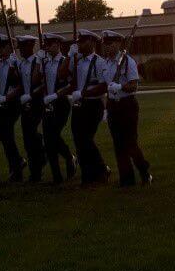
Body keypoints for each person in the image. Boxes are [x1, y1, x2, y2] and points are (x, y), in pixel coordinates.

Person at [102, 30, 152, 186]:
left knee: (130, 143)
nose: (106, 47)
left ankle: (144, 170)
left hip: (127, 106)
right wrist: (106, 108)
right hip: (113, 106)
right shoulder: (106, 63)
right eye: (105, 44)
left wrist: (120, 86)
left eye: (109, 44)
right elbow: (107, 88)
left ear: (117, 44)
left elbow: (133, 86)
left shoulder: (127, 61)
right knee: (118, 144)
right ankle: (127, 179)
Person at [70, 29, 111, 186]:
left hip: (93, 104)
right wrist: (71, 57)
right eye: (79, 41)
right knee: (78, 141)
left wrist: (84, 93)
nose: (79, 44)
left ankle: (101, 169)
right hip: (79, 104)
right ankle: (87, 175)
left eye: (83, 41)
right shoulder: (77, 61)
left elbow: (103, 86)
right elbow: (67, 78)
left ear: (92, 43)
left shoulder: (99, 62)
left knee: (86, 139)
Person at [39, 33, 76, 184]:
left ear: (58, 45)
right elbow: (39, 81)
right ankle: (57, 176)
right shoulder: (45, 62)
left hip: (61, 103)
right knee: (48, 139)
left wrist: (55, 95)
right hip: (47, 103)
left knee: (52, 136)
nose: (47, 47)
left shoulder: (64, 61)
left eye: (50, 44)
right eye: (46, 44)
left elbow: (71, 84)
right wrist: (38, 62)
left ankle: (69, 157)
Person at [0, 33, 27, 182]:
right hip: (1, 102)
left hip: (13, 102)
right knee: (2, 133)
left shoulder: (16, 64)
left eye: (1, 46)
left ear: (9, 47)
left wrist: (7, 97)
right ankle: (16, 163)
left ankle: (16, 167)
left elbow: (21, 86)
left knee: (5, 132)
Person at [16, 35, 46, 183]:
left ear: (30, 46)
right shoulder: (22, 64)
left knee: (32, 137)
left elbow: (42, 84)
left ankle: (36, 171)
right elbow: (22, 83)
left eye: (22, 47)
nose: (20, 50)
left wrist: (31, 95)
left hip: (37, 103)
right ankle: (38, 164)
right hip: (25, 104)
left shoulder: (37, 62)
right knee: (28, 139)